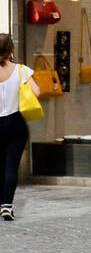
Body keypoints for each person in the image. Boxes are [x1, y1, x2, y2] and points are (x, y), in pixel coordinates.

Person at [0, 35, 41, 221]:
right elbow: (37, 91)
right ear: (11, 50)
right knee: (11, 166)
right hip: (16, 122)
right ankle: (7, 206)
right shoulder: (22, 70)